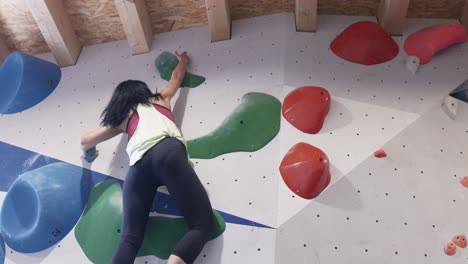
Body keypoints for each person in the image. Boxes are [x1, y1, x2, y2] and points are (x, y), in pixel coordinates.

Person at [80, 51, 214, 264]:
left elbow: (86, 140)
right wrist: (184, 61)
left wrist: (89, 153)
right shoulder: (160, 99)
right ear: (142, 91)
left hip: (139, 167)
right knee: (203, 224)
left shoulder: (122, 118)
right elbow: (176, 78)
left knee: (130, 237)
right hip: (168, 153)